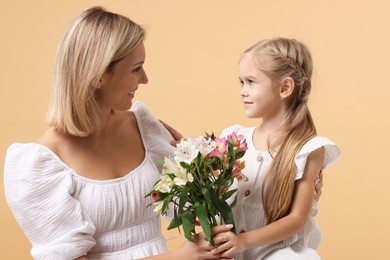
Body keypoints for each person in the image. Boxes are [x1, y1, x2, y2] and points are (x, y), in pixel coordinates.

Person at [3, 7, 232, 260]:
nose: (144, 79)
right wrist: (178, 258)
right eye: (136, 69)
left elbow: (189, 208)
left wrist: (199, 166)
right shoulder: (38, 165)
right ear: (99, 75)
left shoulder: (142, 125)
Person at [208, 37, 341, 259]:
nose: (242, 91)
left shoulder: (307, 149)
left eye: (251, 82)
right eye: (241, 82)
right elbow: (213, 185)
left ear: (285, 87)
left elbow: (297, 219)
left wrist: (242, 242)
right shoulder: (234, 137)